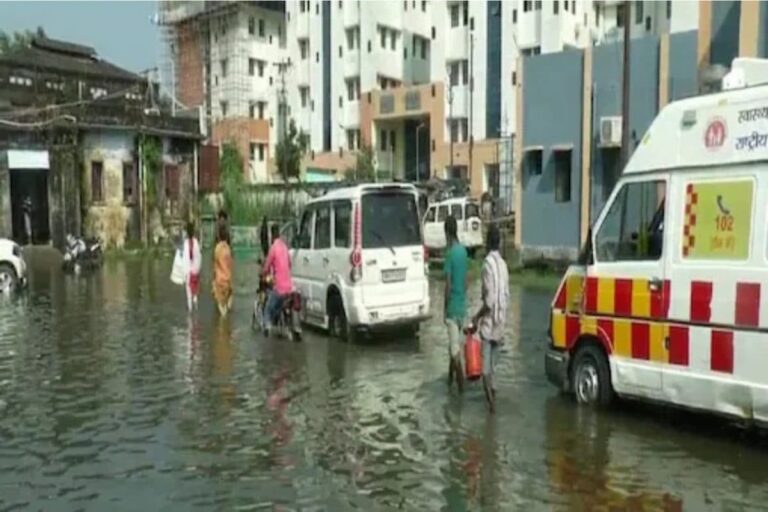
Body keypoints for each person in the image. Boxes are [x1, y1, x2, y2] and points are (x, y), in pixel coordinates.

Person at [470, 224, 509, 413]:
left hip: (489, 323)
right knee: (493, 370)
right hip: (501, 322)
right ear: (499, 243)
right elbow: (505, 296)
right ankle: (494, 410)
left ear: (487, 243)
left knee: (485, 372)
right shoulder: (503, 264)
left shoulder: (487, 265)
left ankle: (492, 412)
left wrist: (476, 317)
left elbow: (490, 301)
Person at [444, 214, 469, 394]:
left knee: (455, 353)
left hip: (453, 309)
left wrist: (444, 307)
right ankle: (449, 381)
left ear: (447, 233)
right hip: (462, 308)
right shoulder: (463, 252)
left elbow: (448, 284)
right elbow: (466, 282)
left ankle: (461, 391)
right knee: (454, 347)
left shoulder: (450, 254)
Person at [262, 223, 293, 335]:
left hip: (279, 288)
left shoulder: (273, 248)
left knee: (267, 310)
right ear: (279, 233)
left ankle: (267, 330)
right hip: (289, 288)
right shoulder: (284, 247)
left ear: (272, 235)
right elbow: (289, 264)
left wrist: (263, 273)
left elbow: (266, 267)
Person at [212, 223, 234, 316]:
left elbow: (214, 265)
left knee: (221, 310)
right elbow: (231, 265)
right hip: (228, 280)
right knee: (230, 296)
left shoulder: (217, 248)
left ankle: (223, 326)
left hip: (219, 281)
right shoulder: (228, 248)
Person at [182, 220, 202, 312]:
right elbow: (198, 257)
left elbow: (185, 260)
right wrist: (197, 271)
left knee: (189, 295)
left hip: (189, 273)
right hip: (195, 271)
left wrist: (185, 274)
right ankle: (196, 312)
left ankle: (190, 315)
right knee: (195, 295)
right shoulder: (196, 242)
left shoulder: (186, 243)